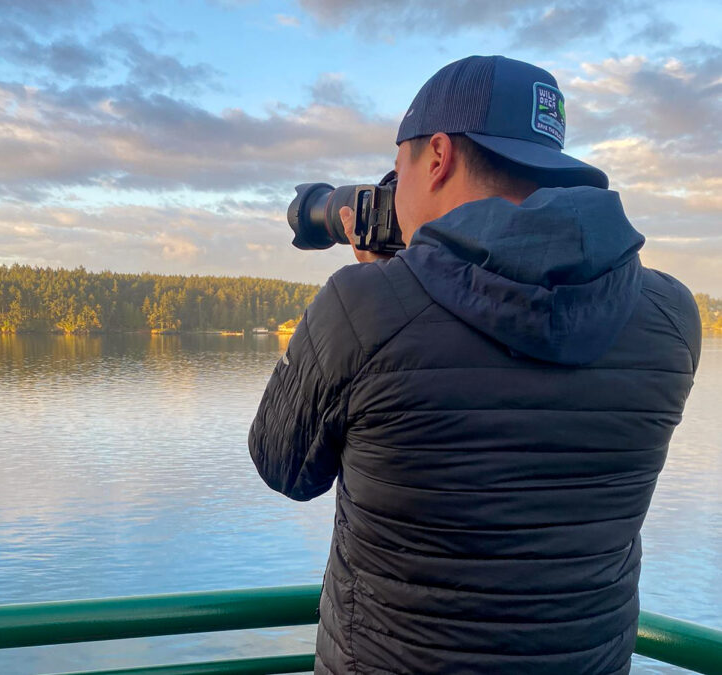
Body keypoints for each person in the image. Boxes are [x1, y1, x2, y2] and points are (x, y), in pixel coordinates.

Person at [248, 55, 701, 674]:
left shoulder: (366, 305)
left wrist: (381, 289)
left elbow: (284, 466)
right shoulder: (670, 316)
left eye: (398, 165)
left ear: (437, 157)